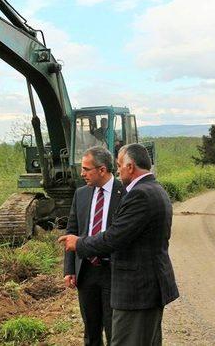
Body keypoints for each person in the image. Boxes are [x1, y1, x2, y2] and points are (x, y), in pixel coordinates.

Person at [59, 143, 179, 346]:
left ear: (130, 166)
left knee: (121, 336)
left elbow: (114, 237)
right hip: (97, 275)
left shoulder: (136, 193)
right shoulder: (154, 189)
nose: (118, 169)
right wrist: (70, 266)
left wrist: (80, 245)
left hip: (131, 285)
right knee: (96, 331)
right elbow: (75, 228)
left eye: (120, 165)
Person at [64, 146, 125, 346]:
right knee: (91, 331)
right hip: (86, 272)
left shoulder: (124, 192)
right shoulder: (80, 194)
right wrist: (70, 269)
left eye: (86, 169)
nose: (82, 173)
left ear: (102, 169)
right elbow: (71, 234)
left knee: (114, 330)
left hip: (113, 271)